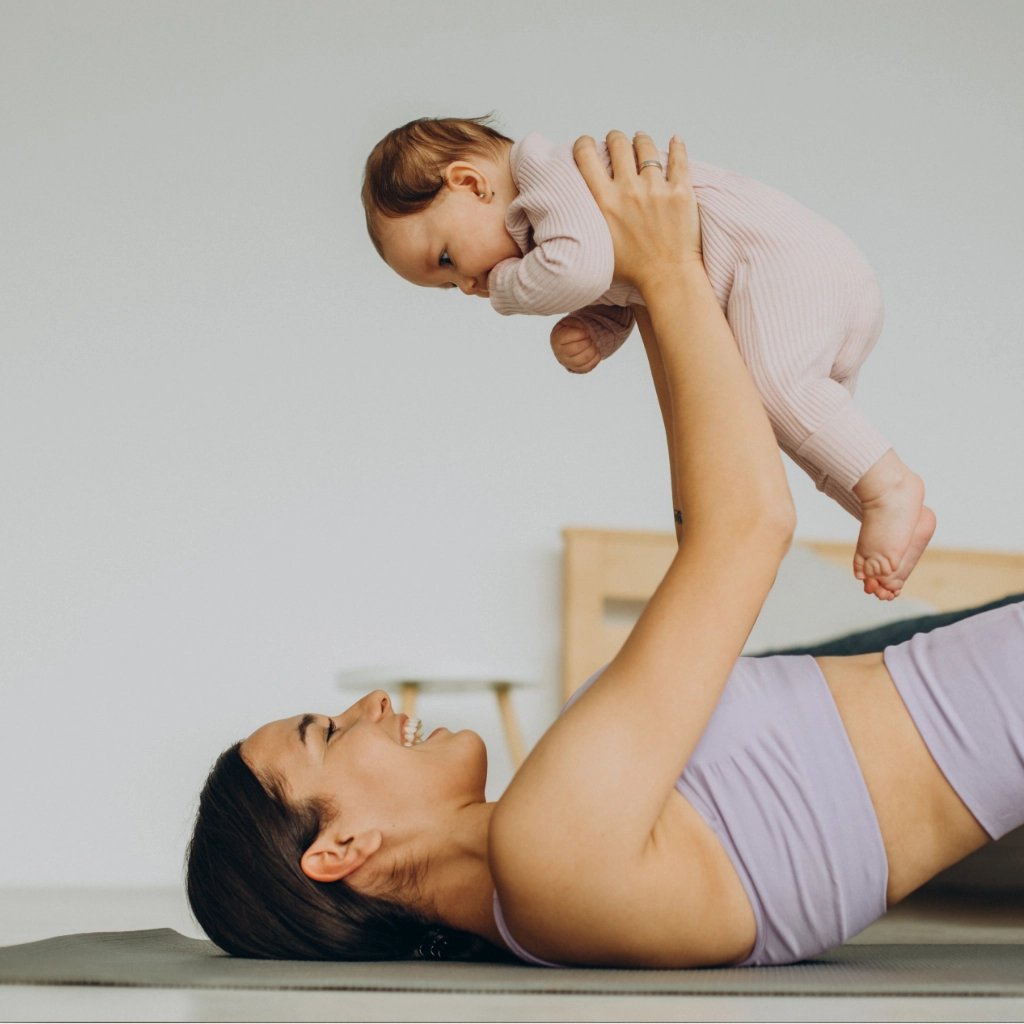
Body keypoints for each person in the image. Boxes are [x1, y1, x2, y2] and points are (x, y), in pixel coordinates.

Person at [187, 133, 1022, 968]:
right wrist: (663, 270)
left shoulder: (543, 864)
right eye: (326, 734)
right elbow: (746, 529)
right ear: (340, 849)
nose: (369, 703)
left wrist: (657, 282)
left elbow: (709, 526)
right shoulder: (544, 852)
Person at [361, 117, 935, 601]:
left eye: (445, 258)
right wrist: (595, 329)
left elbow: (582, 268)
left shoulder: (546, 174)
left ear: (469, 182)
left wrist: (508, 291)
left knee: (772, 388)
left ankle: (890, 489)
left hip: (787, 261)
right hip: (802, 277)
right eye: (446, 286)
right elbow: (628, 284)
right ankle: (881, 508)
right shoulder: (552, 226)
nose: (465, 285)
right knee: (776, 421)